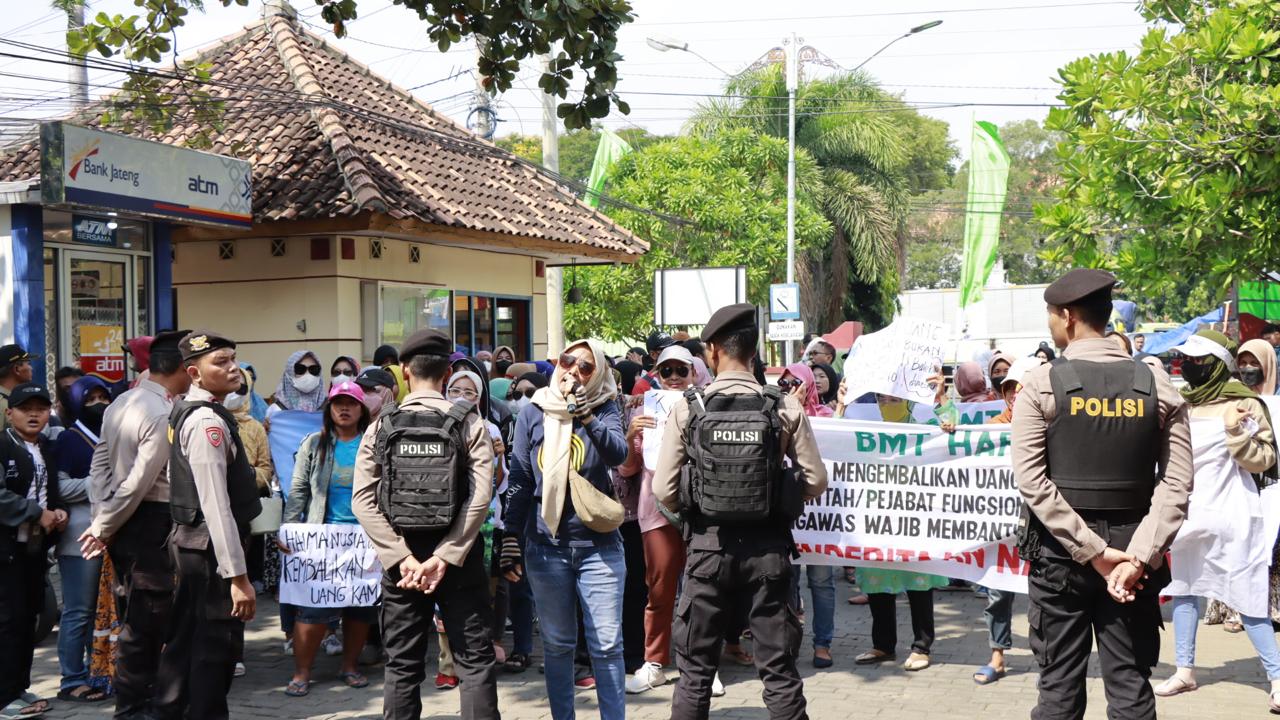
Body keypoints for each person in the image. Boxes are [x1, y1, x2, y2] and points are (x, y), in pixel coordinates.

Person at [1012, 268, 1192, 720]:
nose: (1051, 326)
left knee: (1058, 694)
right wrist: (1136, 557)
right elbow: (1177, 484)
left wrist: (1092, 551)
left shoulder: (1040, 384)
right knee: (1131, 688)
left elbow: (1032, 479)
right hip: (1135, 562)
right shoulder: (1156, 384)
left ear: (1068, 317)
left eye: (1052, 316)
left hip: (1060, 561)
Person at [653, 303, 828, 720]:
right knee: (779, 671)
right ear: (753, 352)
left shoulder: (688, 407)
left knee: (695, 674)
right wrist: (777, 500)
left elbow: (663, 488)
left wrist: (694, 511)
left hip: (706, 551)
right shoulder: (782, 405)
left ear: (712, 351)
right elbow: (816, 480)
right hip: (768, 552)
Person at [352, 329, 499, 720]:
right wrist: (447, 555)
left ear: (404, 370)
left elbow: (363, 500)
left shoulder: (381, 424)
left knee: (401, 665)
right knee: (474, 664)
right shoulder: (469, 423)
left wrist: (401, 557)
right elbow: (480, 497)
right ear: (449, 370)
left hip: (401, 563)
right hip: (459, 559)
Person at [501, 338, 628, 720]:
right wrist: (510, 536)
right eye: (568, 361)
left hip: (598, 546)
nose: (573, 371)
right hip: (545, 546)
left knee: (606, 645)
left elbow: (618, 454)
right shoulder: (533, 412)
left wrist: (586, 415)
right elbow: (521, 478)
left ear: (598, 375)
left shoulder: (605, 406)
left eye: (585, 367)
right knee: (557, 645)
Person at [1154, 330, 1280, 712]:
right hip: (1190, 514)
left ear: (1216, 364)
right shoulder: (1183, 404)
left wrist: (1234, 432)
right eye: (1186, 360)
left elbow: (1265, 460)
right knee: (1185, 589)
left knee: (1249, 597)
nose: (1188, 365)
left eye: (1197, 360)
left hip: (1234, 516)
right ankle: (1185, 670)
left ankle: (1276, 678)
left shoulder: (1246, 404)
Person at [79, 330, 189, 720]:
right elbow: (138, 483)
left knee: (136, 618)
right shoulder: (160, 413)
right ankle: (134, 708)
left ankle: (136, 704)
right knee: (146, 625)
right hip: (147, 521)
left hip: (126, 519)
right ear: (180, 367)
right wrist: (103, 524)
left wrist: (101, 514)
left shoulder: (123, 401)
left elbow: (100, 467)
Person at [153, 331, 262, 720]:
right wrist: (237, 576)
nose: (232, 367)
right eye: (220, 362)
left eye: (233, 358)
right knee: (214, 651)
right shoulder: (204, 422)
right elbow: (215, 505)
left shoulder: (195, 410)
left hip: (196, 545)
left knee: (186, 642)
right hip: (209, 552)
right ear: (194, 373)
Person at [282, 380, 375, 696]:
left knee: (359, 609)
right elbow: (298, 490)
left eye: (351, 403)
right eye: (338, 403)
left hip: (364, 540)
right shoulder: (313, 444)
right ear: (329, 409)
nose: (345, 408)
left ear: (362, 409)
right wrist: (289, 528)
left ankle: (350, 666)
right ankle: (302, 672)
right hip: (320, 539)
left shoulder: (372, 444)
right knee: (313, 610)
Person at [851, 392, 949, 672]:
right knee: (877, 583)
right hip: (876, 518)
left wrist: (943, 400)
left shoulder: (924, 423)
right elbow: (836, 445)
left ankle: (922, 646)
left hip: (912, 516)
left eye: (894, 400)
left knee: (918, 584)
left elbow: (951, 428)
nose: (887, 405)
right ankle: (882, 645)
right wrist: (843, 406)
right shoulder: (865, 425)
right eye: (882, 399)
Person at [620, 344, 696, 694]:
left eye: (683, 370)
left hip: (700, 511)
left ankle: (698, 662)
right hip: (657, 513)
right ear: (657, 374)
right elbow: (628, 469)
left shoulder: (706, 407)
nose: (676, 377)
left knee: (700, 590)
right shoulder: (645, 412)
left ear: (694, 373)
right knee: (660, 588)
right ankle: (654, 661)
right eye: (668, 371)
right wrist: (632, 435)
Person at [974, 356, 1042, 685]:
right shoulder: (994, 428)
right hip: (1002, 525)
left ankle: (1049, 656)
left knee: (1043, 591)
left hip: (1041, 522)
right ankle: (997, 656)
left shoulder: (1051, 426)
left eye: (1021, 388)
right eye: (1010, 389)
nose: (1015, 394)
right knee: (998, 591)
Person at [0, 382, 66, 719]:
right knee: (8, 621)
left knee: (28, 620)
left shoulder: (44, 449)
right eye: (26, 408)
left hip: (34, 550)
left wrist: (56, 512)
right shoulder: (2, 446)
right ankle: (3, 698)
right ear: (9, 413)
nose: (34, 414)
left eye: (41, 408)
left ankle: (17, 689)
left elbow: (48, 494)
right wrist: (34, 512)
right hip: (5, 551)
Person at [53, 376, 113, 703]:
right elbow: (59, 487)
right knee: (79, 610)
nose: (99, 404)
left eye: (104, 396)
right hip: (79, 537)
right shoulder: (69, 439)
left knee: (102, 610)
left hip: (110, 534)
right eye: (91, 399)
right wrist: (97, 485)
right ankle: (71, 678)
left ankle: (99, 671)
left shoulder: (112, 434)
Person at [269, 350, 325, 418]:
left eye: (313, 369)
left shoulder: (330, 409)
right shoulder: (275, 410)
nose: (307, 374)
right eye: (300, 369)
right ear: (289, 374)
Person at [0, 345, 34, 431]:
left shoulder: (14, 399)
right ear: (17, 369)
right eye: (28, 363)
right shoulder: (2, 404)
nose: (31, 368)